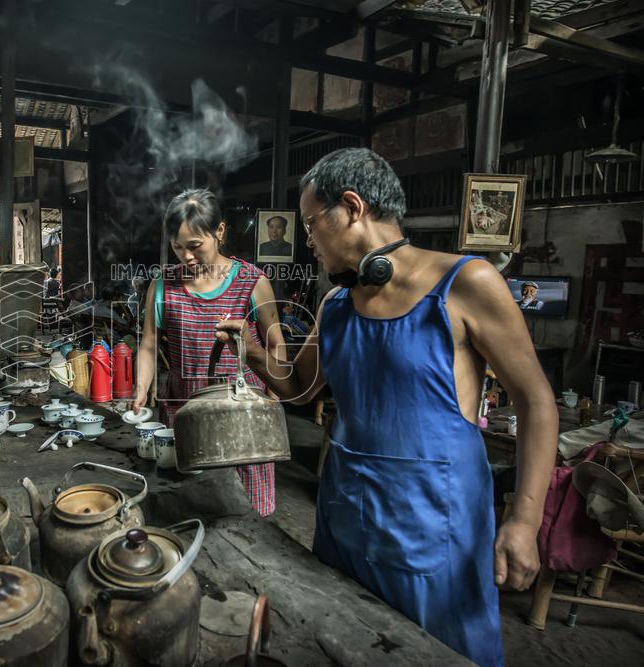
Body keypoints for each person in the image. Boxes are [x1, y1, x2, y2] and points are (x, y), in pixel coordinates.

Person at [215, 148, 557, 667]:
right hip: (346, 514)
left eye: (311, 224)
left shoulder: (467, 284)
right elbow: (300, 389)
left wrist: (524, 522)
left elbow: (536, 403)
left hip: (433, 526)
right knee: (339, 642)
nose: (307, 241)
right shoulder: (336, 305)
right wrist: (253, 351)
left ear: (352, 208)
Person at [132, 189, 286, 517]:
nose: (185, 257)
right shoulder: (162, 286)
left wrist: (273, 401)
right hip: (183, 413)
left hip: (241, 419)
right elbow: (147, 345)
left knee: (248, 519)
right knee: (188, 514)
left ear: (219, 232)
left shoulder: (251, 282)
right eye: (177, 246)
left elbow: (276, 344)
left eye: (194, 246)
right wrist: (141, 389)